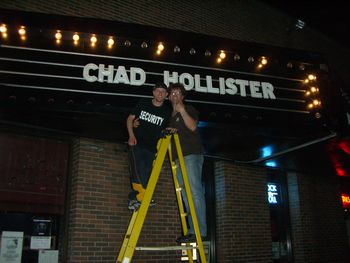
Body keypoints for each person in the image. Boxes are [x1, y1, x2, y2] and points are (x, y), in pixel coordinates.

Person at [167, 83, 207, 242]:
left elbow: (192, 126)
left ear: (182, 97)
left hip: (191, 155)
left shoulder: (188, 109)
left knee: (195, 192)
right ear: (169, 97)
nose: (175, 96)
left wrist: (182, 110)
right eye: (172, 93)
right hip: (178, 159)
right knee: (185, 194)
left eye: (178, 93)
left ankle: (201, 232)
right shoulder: (170, 116)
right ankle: (193, 229)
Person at [126, 82, 170, 210]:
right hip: (137, 143)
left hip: (151, 148)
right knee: (137, 169)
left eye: (163, 92)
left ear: (166, 95)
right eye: (158, 91)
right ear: (153, 92)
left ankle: (134, 198)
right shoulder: (144, 103)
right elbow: (130, 119)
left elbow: (167, 128)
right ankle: (142, 197)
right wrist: (131, 135)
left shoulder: (167, 112)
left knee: (146, 173)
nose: (160, 93)